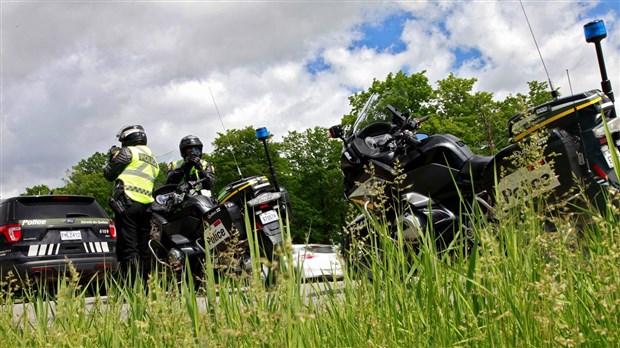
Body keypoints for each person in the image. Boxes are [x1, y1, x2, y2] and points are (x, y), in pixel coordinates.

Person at [103, 125, 160, 282]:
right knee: (144, 250)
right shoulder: (153, 159)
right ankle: (147, 286)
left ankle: (133, 287)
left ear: (128, 139)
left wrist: (112, 157)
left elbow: (108, 174)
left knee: (129, 248)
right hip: (147, 207)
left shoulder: (128, 152)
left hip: (127, 204)